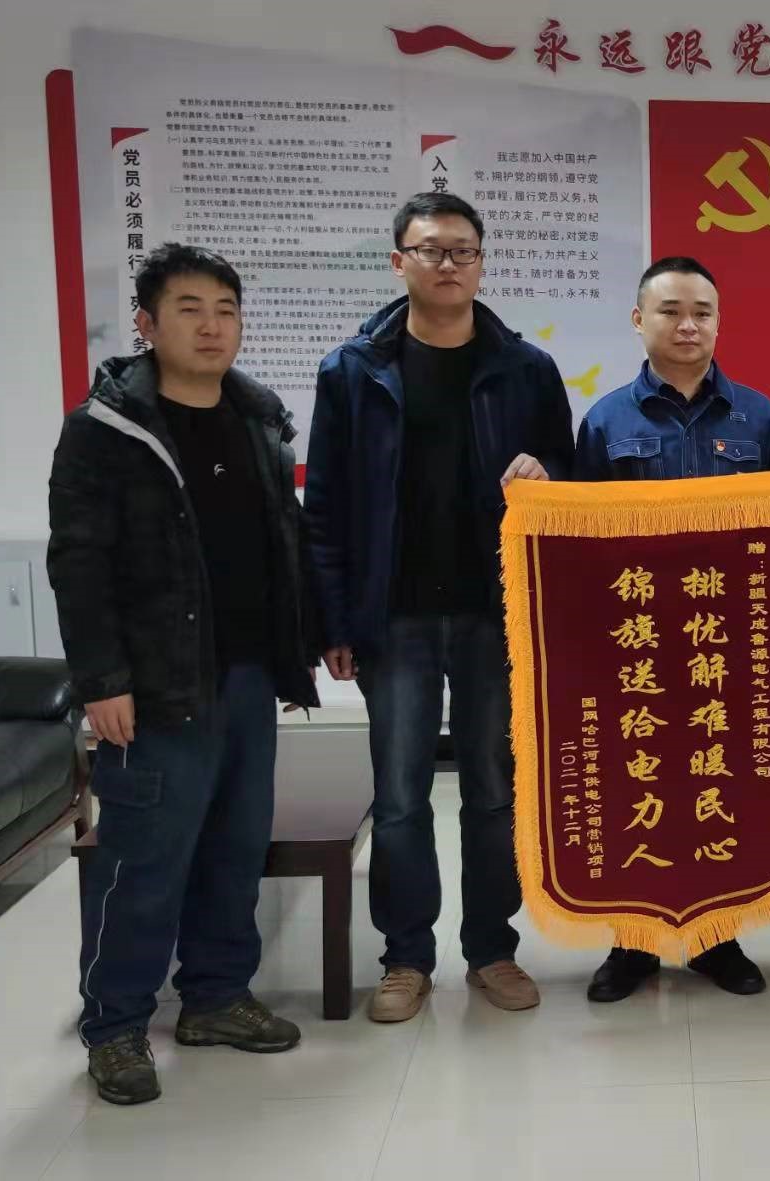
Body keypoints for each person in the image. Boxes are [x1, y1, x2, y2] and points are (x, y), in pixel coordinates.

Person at [48, 244, 322, 1105]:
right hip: (158, 682)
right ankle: (116, 1026)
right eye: (190, 309)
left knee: (235, 846)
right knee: (144, 858)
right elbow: (78, 563)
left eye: (225, 310)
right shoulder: (105, 430)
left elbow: (283, 541)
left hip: (247, 673)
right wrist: (102, 681)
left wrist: (304, 643)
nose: (211, 327)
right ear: (147, 322)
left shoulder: (257, 418)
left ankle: (215, 995)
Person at [303, 192, 573, 1022]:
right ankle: (406, 957)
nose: (448, 264)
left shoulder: (526, 369)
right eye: (430, 250)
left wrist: (548, 472)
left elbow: (569, 479)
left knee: (494, 789)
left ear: (482, 262)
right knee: (400, 794)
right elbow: (326, 508)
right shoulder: (353, 371)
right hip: (396, 616)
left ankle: (492, 947)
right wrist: (334, 621)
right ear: (399, 262)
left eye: (462, 250)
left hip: (497, 612)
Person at [571, 255, 770, 1002]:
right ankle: (634, 942)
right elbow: (582, 540)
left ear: (718, 322)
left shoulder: (759, 419)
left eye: (702, 312)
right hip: (636, 642)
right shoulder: (606, 421)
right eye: (670, 311)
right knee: (637, 782)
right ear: (639, 320)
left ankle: (716, 936)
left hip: (728, 644)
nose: (687, 326)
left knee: (719, 781)